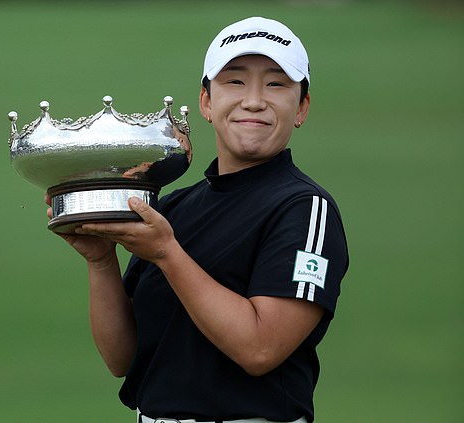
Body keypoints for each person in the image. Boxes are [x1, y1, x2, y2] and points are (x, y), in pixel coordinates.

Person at [46, 16, 349, 423]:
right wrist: (101, 261)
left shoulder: (304, 208)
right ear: (206, 102)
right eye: (235, 82)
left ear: (301, 107)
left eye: (276, 84)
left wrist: (168, 253)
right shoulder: (173, 207)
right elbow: (122, 358)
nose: (254, 100)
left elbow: (260, 350)